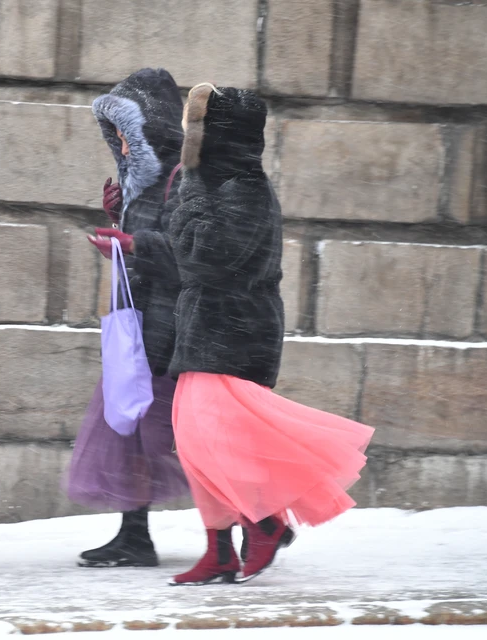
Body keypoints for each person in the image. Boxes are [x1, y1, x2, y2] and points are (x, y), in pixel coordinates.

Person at [165, 84, 375, 586]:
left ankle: (264, 521)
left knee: (221, 440)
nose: (190, 143)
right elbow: (189, 254)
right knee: (195, 443)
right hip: (208, 327)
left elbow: (206, 258)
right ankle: (219, 550)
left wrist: (187, 192)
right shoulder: (219, 186)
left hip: (234, 331)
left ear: (217, 136)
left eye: (197, 132)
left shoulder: (244, 188)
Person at [64, 68, 190, 568]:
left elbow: (187, 255)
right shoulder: (142, 182)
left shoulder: (181, 180)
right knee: (132, 431)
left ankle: (260, 517)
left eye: (125, 131)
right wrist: (120, 223)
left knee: (178, 437)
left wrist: (134, 242)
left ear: (149, 127)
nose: (118, 142)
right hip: (140, 324)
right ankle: (134, 534)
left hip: (168, 329)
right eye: (114, 132)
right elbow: (148, 247)